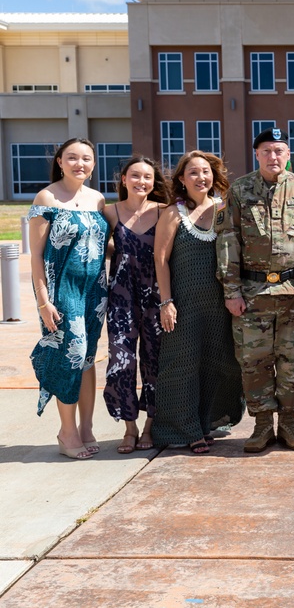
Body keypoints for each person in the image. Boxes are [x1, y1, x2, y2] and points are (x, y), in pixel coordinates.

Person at [217, 129, 294, 453]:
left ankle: (290, 422)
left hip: (293, 292)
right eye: (266, 151)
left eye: (279, 150)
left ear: (288, 154)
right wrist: (231, 290)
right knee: (254, 361)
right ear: (257, 154)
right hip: (252, 294)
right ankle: (263, 424)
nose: (273, 156)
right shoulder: (240, 190)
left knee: (291, 360)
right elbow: (228, 242)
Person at [151, 151, 244, 454]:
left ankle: (207, 423)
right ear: (181, 179)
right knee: (182, 365)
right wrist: (166, 301)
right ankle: (185, 429)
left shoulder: (223, 209)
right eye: (193, 172)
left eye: (205, 171)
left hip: (220, 306)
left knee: (217, 365)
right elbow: (160, 259)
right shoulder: (173, 213)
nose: (200, 177)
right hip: (184, 304)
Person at [28, 138, 109, 460]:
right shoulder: (46, 197)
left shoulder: (98, 199)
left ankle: (87, 427)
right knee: (71, 355)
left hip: (95, 292)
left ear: (93, 164)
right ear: (60, 161)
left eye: (86, 158)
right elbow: (35, 255)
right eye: (72, 158)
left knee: (88, 359)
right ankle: (67, 431)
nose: (80, 164)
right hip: (62, 292)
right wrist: (42, 302)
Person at [102, 155, 170, 454]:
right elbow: (95, 246)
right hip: (121, 298)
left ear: (154, 183)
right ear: (124, 179)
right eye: (135, 176)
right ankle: (129, 427)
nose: (141, 181)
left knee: (155, 361)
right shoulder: (108, 212)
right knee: (122, 361)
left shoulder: (164, 211)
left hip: (156, 297)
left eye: (147, 177)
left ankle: (150, 426)